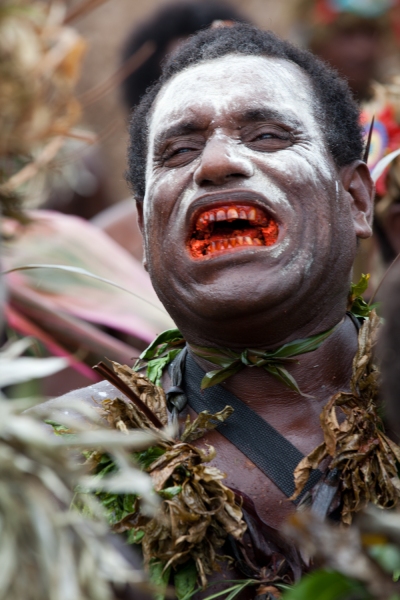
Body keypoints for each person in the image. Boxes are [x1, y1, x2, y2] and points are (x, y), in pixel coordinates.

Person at [41, 23, 400, 594]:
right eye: (180, 151)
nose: (216, 164)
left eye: (265, 136)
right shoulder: (53, 460)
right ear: (144, 229)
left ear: (356, 200)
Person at [292, 0, 400, 102]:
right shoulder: (294, 100)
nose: (362, 52)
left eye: (371, 34)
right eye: (348, 34)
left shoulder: (392, 109)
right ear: (318, 41)